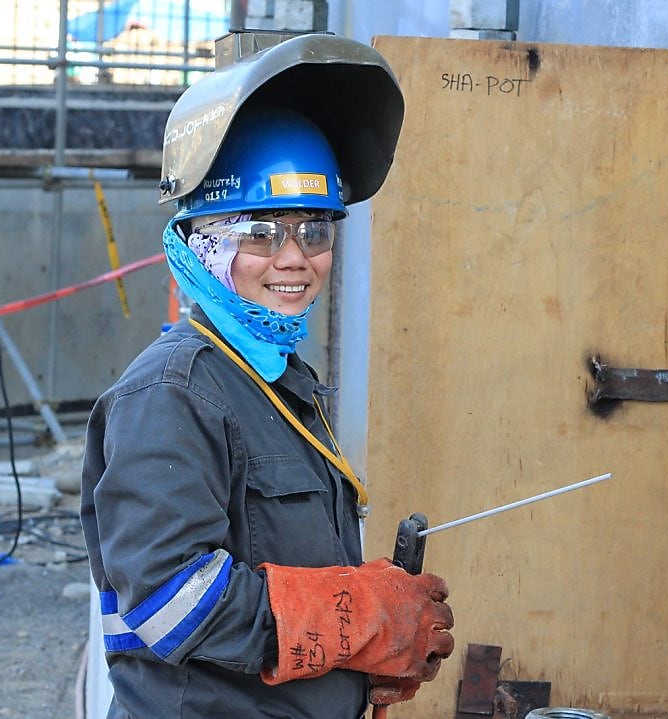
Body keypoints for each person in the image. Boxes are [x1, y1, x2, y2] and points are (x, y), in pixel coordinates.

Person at [81, 34, 454, 719]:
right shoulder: (174, 392)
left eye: (315, 230)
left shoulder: (279, 384)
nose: (294, 258)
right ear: (202, 240)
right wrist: (359, 618)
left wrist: (354, 666)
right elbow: (173, 603)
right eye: (258, 231)